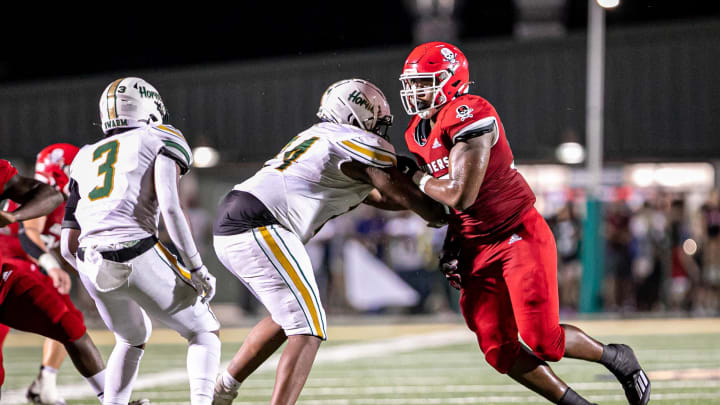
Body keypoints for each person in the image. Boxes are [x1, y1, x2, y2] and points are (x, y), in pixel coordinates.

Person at [397, 41, 650, 405]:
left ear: (452, 81)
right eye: (413, 84)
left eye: (425, 83)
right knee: (498, 348)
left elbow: (461, 195)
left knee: (545, 340)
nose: (416, 92)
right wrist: (454, 238)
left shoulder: (469, 112)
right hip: (475, 245)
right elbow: (459, 209)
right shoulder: (416, 132)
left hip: (516, 233)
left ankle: (617, 358)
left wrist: (417, 179)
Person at [212, 78, 447, 405]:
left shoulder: (321, 138)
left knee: (289, 317)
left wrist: (423, 198)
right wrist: (439, 210)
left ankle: (221, 389)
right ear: (357, 114)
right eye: (377, 119)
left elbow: (380, 196)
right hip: (260, 223)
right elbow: (392, 187)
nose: (381, 128)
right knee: (309, 325)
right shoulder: (355, 140)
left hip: (238, 219)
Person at [60, 77, 220, 405]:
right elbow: (172, 210)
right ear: (147, 106)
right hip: (136, 249)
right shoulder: (159, 136)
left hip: (90, 259)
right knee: (203, 330)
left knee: (131, 337)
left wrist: (92, 271)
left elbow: (67, 243)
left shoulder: (84, 156)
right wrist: (197, 267)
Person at [0, 158, 145, 405]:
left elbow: (48, 195)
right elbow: (31, 235)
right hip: (17, 260)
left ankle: (110, 401)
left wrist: (14, 216)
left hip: (7, 274)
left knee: (67, 321)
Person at [0, 144, 80, 405]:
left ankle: (46, 382)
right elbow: (28, 234)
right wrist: (52, 265)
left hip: (27, 267)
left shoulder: (64, 200)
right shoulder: (36, 194)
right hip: (12, 265)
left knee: (68, 319)